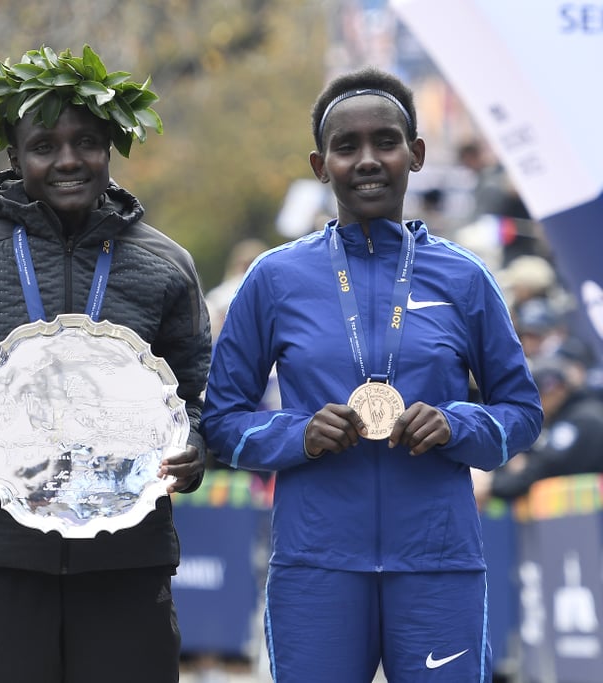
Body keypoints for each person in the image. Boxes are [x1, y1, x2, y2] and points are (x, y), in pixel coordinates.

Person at [200, 67, 543, 682]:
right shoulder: (274, 280)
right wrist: (298, 435)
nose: (367, 160)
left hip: (439, 563)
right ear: (319, 163)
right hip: (316, 565)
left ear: (415, 154)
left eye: (385, 142)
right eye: (346, 146)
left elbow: (521, 412)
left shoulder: (465, 278)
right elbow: (223, 421)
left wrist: (456, 423)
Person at [0, 45, 212, 683]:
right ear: (12, 155)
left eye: (85, 142)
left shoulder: (166, 265)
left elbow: (196, 396)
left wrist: (194, 446)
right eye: (44, 145)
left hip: (126, 556)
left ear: (111, 146)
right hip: (3, 554)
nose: (67, 160)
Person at [481, 356, 603, 502]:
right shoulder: (572, 415)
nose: (533, 403)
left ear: (558, 390)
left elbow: (545, 467)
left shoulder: (582, 420)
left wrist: (494, 485)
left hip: (588, 516)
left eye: (538, 396)